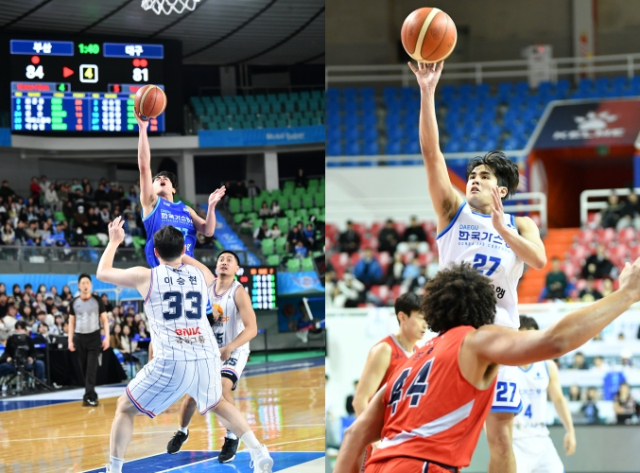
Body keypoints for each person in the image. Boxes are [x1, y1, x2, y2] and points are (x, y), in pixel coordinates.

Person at [335, 260, 640, 473]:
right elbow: (555, 341)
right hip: (425, 467)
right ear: (485, 307)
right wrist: (625, 294)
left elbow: (352, 438)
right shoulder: (475, 340)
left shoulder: (408, 363)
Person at [409, 60, 547, 473]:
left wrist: (504, 231)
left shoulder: (521, 223)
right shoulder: (452, 210)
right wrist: (427, 91)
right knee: (436, 433)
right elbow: (431, 154)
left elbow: (538, 260)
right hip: (450, 335)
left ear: (501, 189)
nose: (472, 179)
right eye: (471, 174)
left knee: (500, 436)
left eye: (483, 175)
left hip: (501, 334)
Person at [96, 218, 272, 473]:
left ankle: (114, 469)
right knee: (219, 403)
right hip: (206, 355)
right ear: (183, 250)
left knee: (124, 408)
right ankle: (258, 450)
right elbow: (205, 281)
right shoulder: (201, 277)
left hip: (173, 358)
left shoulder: (146, 275)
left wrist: (114, 241)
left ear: (155, 253)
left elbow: (103, 272)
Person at [167, 250, 259, 463]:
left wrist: (230, 347)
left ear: (237, 269)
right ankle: (182, 431)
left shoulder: (238, 292)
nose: (224, 262)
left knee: (222, 387)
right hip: (209, 350)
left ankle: (231, 436)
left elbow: (252, 328)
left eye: (230, 260)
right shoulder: (207, 284)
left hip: (234, 349)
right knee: (191, 396)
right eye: (221, 259)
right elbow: (184, 257)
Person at [135, 111, 226, 268]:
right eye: (156, 180)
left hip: (188, 270)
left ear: (174, 189)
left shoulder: (186, 209)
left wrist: (211, 207)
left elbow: (208, 231)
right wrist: (143, 129)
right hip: (162, 270)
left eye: (166, 179)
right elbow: (144, 166)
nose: (161, 179)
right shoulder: (151, 204)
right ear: (151, 188)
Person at [351, 293, 425, 471]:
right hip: (380, 441)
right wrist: (375, 441)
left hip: (404, 442)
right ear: (402, 317)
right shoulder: (385, 350)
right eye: (421, 318)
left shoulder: (420, 353)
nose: (426, 324)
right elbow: (359, 400)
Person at [513, 316, 576, 473]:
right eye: (524, 336)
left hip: (541, 437)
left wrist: (570, 430)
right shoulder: (505, 367)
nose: (529, 341)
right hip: (515, 439)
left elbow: (559, 399)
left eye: (533, 336)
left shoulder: (548, 366)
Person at [68, 273, 110, 407]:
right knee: (84, 368)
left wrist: (107, 337)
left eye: (87, 283)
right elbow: (71, 323)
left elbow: (104, 320)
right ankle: (91, 393)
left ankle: (89, 396)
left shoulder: (97, 301)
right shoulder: (74, 302)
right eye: (83, 283)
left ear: (90, 285)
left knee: (92, 367)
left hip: (94, 337)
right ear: (79, 285)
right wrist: (70, 340)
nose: (85, 285)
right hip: (79, 337)